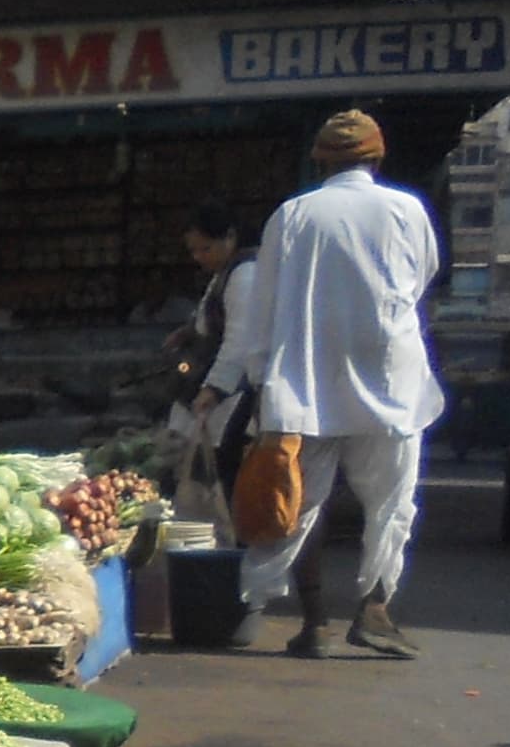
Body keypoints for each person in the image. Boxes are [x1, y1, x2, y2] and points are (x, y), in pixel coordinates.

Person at [200, 108, 439, 657]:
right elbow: (421, 279)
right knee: (391, 501)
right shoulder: (406, 210)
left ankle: (315, 625)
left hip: (305, 382)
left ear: (320, 162)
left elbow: (265, 306)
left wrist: (261, 383)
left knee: (302, 503)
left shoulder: (293, 215)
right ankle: (374, 609)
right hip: (390, 380)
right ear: (377, 157)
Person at [160, 207, 255, 530]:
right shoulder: (225, 273)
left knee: (220, 470)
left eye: (206, 248)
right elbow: (211, 318)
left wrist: (212, 390)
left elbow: (238, 341)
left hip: (232, 395)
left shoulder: (245, 275)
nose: (200, 256)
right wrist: (188, 331)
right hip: (210, 384)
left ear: (229, 237)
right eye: (194, 250)